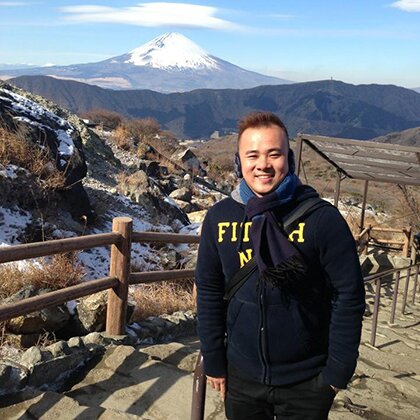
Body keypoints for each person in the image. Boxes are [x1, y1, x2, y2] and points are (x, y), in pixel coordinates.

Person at [195, 111, 365, 419]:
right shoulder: (220, 217)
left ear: (289, 159)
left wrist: (337, 373)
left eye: (274, 154)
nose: (263, 165)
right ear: (239, 162)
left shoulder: (321, 219)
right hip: (241, 376)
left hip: (308, 381)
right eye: (253, 155)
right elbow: (208, 290)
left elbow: (348, 295)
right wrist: (214, 359)